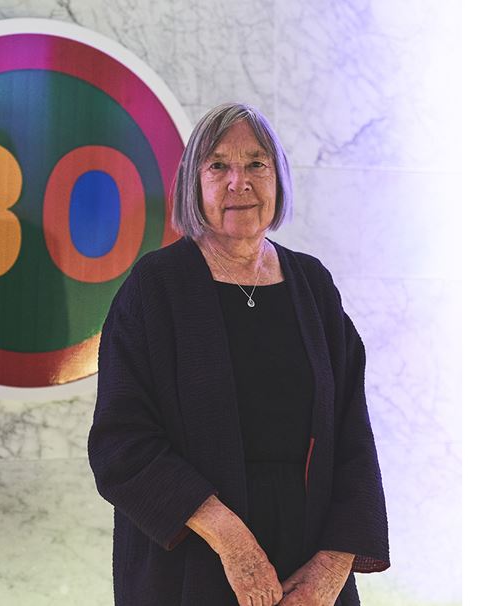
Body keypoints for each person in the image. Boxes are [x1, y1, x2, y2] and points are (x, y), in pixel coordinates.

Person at [88, 103, 389, 606]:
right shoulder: (155, 287)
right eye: (218, 166)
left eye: (256, 164)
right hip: (191, 562)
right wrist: (233, 543)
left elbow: (352, 433)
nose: (239, 182)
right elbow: (121, 444)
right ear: (194, 183)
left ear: (278, 178)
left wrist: (331, 568)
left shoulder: (313, 285)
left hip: (309, 568)